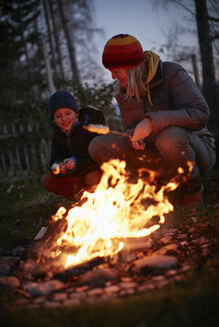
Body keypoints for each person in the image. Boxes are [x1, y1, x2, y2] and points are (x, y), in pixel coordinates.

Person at [88, 34, 216, 206]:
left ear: (131, 67)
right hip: (156, 156)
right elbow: (131, 129)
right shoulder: (123, 92)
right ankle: (148, 188)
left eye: (115, 71)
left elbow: (200, 115)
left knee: (168, 137)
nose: (112, 77)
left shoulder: (172, 73)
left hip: (195, 151)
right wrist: (135, 137)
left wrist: (151, 122)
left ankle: (192, 189)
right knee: (98, 145)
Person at [41, 90, 105, 199]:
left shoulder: (89, 125)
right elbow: (54, 159)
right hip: (75, 176)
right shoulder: (58, 133)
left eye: (67, 113)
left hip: (94, 171)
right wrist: (58, 167)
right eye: (58, 116)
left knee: (92, 179)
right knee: (47, 180)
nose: (64, 119)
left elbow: (98, 158)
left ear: (76, 113)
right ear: (54, 119)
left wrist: (75, 163)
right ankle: (76, 197)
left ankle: (95, 197)